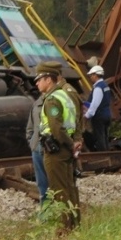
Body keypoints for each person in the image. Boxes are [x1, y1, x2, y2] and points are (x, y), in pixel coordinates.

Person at [34, 62, 82, 229]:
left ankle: (64, 228)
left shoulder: (52, 99)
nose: (37, 83)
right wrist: (74, 142)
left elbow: (56, 128)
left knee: (58, 190)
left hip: (56, 150)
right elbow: (76, 120)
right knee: (69, 187)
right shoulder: (64, 95)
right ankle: (75, 223)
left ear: (48, 79)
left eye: (39, 79)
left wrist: (70, 144)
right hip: (66, 148)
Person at [25, 95, 48, 203]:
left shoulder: (57, 100)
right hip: (37, 148)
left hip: (51, 149)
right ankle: (46, 211)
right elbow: (30, 125)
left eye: (40, 80)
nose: (38, 83)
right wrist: (32, 142)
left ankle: (59, 212)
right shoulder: (37, 103)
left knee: (56, 182)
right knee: (41, 183)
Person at [84, 65, 112, 151]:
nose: (90, 77)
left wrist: (86, 116)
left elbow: (94, 105)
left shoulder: (98, 88)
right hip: (107, 115)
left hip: (99, 116)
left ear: (96, 75)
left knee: (99, 137)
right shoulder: (105, 86)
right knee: (105, 137)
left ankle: (103, 156)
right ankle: (108, 154)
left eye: (91, 75)